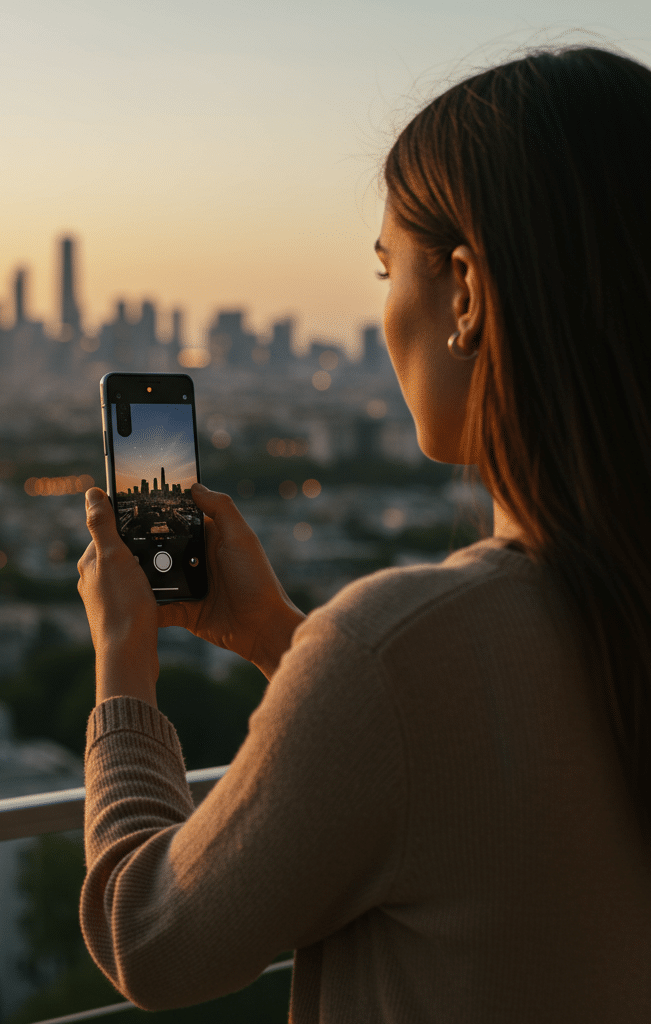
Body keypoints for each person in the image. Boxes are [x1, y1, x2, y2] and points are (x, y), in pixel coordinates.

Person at [75, 46, 651, 1023]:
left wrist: (122, 673)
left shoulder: (401, 645)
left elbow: (155, 939)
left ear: (464, 292)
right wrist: (278, 642)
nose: (383, 312)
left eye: (388, 269)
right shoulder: (420, 653)